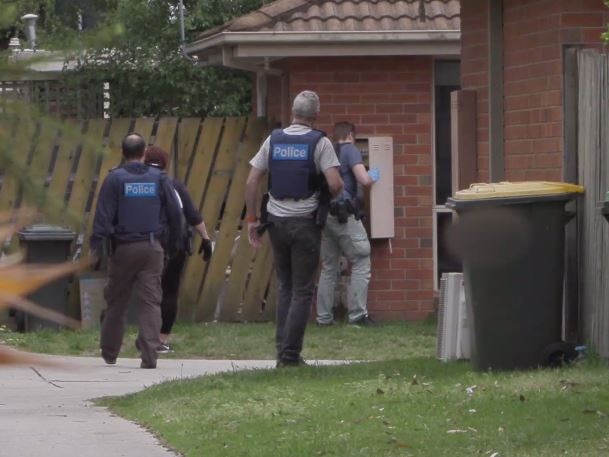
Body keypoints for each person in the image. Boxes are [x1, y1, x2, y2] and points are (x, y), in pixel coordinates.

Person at [245, 90, 343, 367]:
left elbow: (252, 181)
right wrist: (327, 196)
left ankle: (281, 350)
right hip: (305, 223)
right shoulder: (319, 142)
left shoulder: (273, 140)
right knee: (302, 289)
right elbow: (335, 184)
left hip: (275, 222)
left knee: (285, 286)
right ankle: (290, 356)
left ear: (293, 113)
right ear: (315, 116)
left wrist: (253, 219)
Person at [90, 133, 182, 369]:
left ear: (123, 153)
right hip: (153, 248)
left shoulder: (114, 179)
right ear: (143, 154)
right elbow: (174, 212)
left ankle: (110, 352)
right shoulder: (159, 178)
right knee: (151, 301)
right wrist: (174, 243)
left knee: (116, 302)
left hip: (123, 249)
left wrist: (96, 248)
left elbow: (102, 216)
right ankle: (150, 355)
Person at [144, 146, 213, 353]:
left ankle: (145, 337)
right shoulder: (174, 185)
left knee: (146, 292)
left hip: (145, 243)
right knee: (169, 291)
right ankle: (160, 340)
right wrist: (206, 238)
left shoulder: (135, 183)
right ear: (165, 163)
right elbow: (193, 215)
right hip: (175, 245)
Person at [316, 121, 379, 327]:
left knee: (328, 267)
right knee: (361, 257)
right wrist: (374, 175)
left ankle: (324, 318)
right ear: (351, 135)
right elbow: (363, 178)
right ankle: (358, 316)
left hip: (325, 214)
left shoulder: (327, 150)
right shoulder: (350, 150)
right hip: (344, 214)